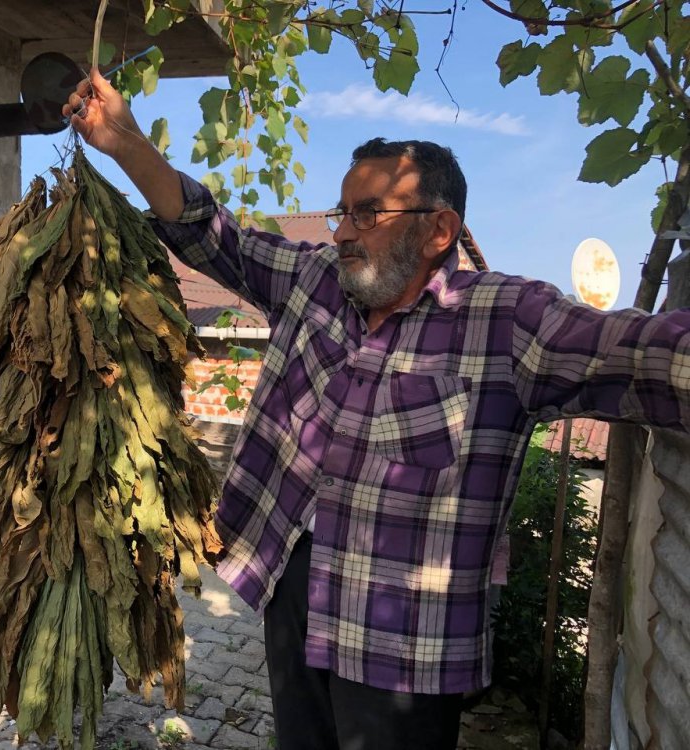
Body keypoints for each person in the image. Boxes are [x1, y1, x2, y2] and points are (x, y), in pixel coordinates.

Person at [63, 69, 690, 750]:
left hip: (403, 647)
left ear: (439, 230)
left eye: (368, 214)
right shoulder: (315, 283)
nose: (342, 233)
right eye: (342, 213)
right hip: (293, 590)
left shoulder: (507, 320)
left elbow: (641, 352)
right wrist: (123, 143)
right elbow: (208, 232)